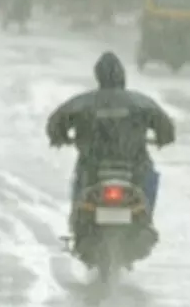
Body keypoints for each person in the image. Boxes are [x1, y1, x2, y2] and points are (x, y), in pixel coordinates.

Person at [45, 52, 174, 235]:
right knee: (150, 179)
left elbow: (56, 122)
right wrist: (163, 138)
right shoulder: (140, 103)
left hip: (92, 166)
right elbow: (165, 126)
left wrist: (60, 137)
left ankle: (78, 224)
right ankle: (146, 222)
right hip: (134, 165)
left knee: (80, 183)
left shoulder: (83, 103)